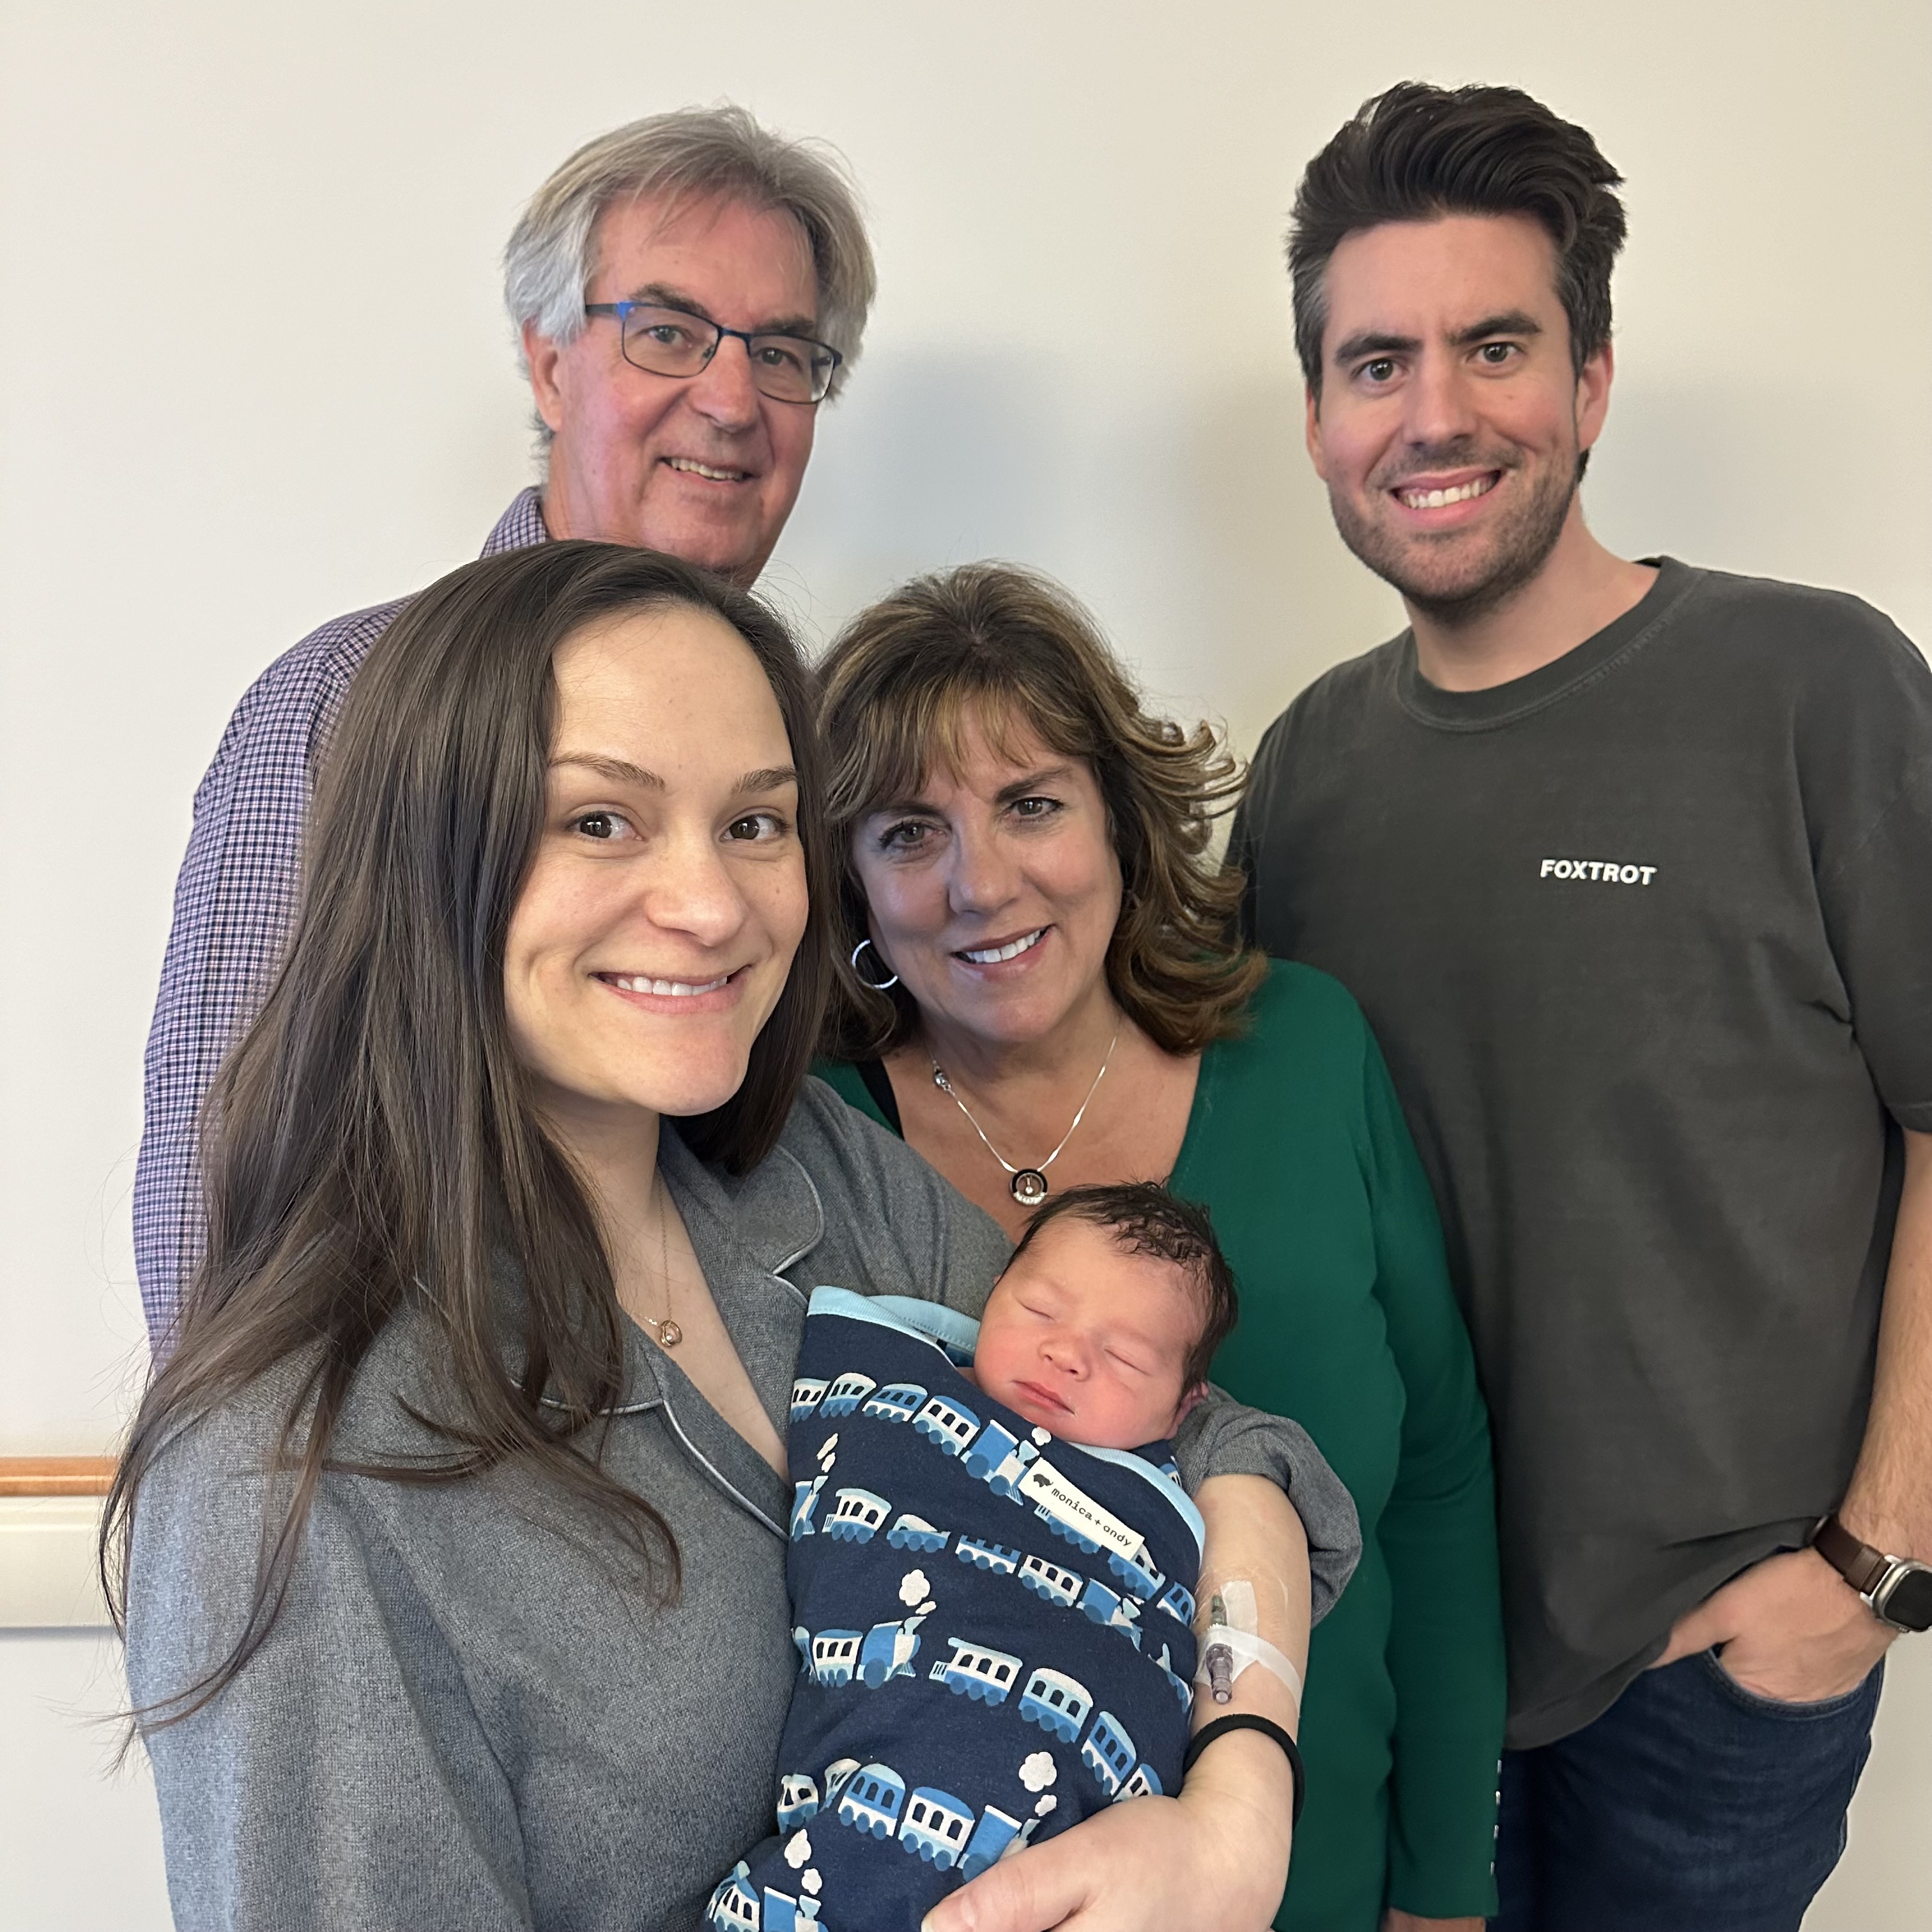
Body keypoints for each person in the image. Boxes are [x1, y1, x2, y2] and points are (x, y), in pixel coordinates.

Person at [109, 540, 1326, 1932]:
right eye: (601, 822)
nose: (708, 906)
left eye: (755, 824)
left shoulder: (816, 1180)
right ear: (426, 856)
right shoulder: (295, 1470)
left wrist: (1240, 1797)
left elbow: (1215, 1451)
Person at [1228, 80, 1932, 1931]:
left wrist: (1875, 1562)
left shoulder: (1816, 687)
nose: (1435, 412)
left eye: (1495, 346)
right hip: (1392, 1647)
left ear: (1593, 380)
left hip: (1710, 1673)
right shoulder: (1304, 775)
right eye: (1377, 363)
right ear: (1318, 415)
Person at [813, 562, 1506, 1932]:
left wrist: (1444, 1886)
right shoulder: (800, 1142)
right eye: (907, 832)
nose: (980, 884)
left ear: (1122, 819)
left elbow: (1437, 1480)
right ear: (848, 881)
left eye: (1030, 805)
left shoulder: (1307, 1051)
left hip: (1319, 1881)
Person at [134, 102, 875, 1349]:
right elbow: (227, 1195)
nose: (735, 397)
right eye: (669, 331)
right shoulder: (347, 698)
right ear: (547, 362)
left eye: (786, 352)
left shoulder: (815, 736)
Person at [726, 1184, 1358, 1930]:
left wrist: (1239, 1805)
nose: (1065, 1354)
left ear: (1187, 1404)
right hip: (865, 1789)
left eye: (1123, 1357)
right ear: (994, 1294)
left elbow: (1263, 1454)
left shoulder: (1167, 1492)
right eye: (1039, 1312)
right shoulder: (898, 1379)